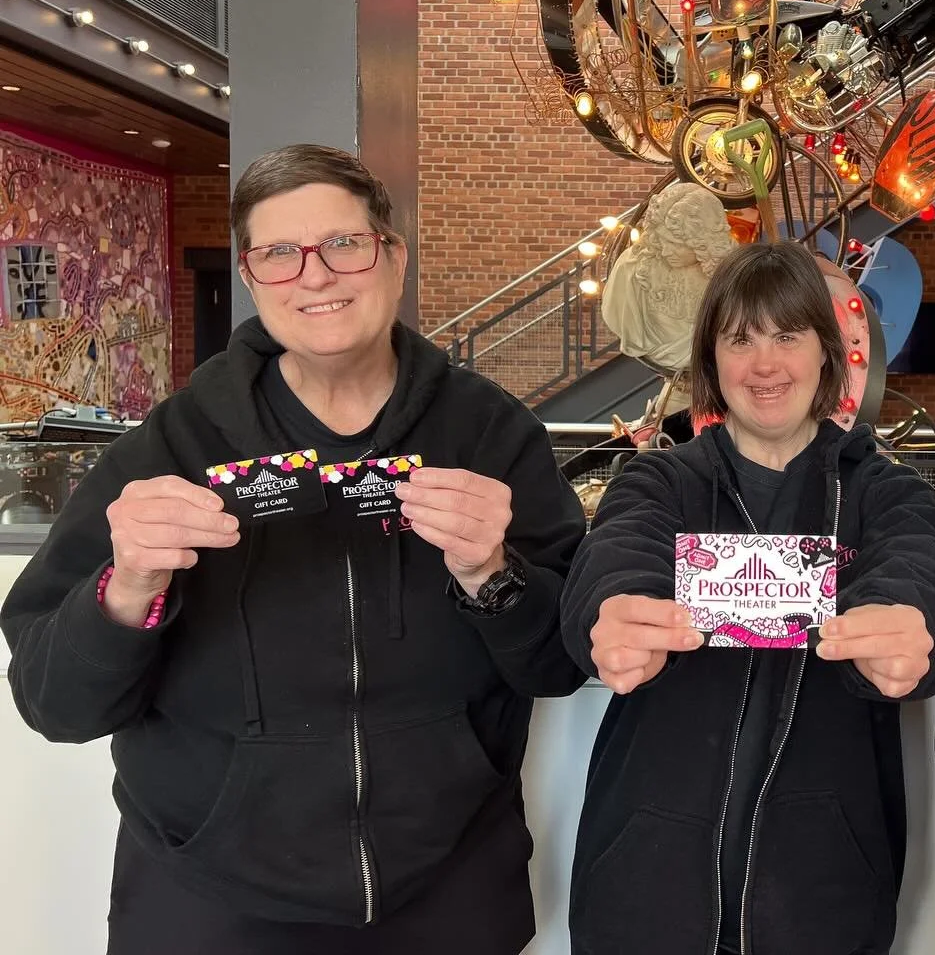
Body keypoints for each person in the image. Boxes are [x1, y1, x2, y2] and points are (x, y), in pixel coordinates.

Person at [1, 144, 587, 955]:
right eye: (280, 253)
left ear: (392, 256)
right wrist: (127, 584)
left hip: (449, 895)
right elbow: (53, 705)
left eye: (343, 244)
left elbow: (559, 665)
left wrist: (494, 576)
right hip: (208, 903)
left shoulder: (491, 435)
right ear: (250, 277)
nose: (315, 276)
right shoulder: (172, 444)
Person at [559, 240, 935, 955]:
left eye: (788, 335)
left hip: (822, 897)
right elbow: (617, 556)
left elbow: (921, 568)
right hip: (644, 891)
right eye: (739, 339)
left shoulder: (883, 491)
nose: (765, 364)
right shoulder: (660, 483)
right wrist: (613, 610)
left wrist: (910, 622)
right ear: (711, 360)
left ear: (826, 353)